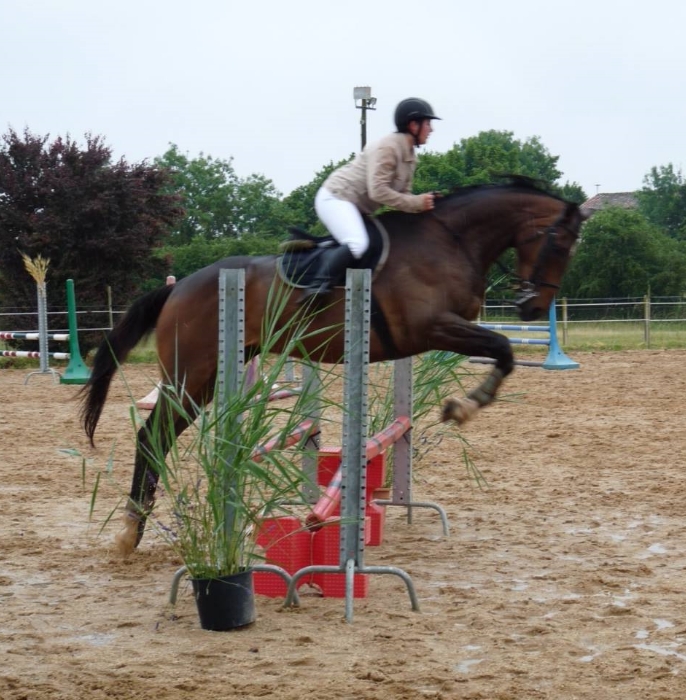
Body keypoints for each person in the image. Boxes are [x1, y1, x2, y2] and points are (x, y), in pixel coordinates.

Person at [299, 97, 441, 304]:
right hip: (336, 198)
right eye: (428, 123)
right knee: (358, 243)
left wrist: (425, 203)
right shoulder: (388, 147)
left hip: (356, 207)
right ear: (413, 125)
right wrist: (417, 203)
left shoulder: (410, 156)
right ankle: (316, 287)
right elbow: (379, 192)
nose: (431, 129)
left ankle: (332, 251)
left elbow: (405, 196)